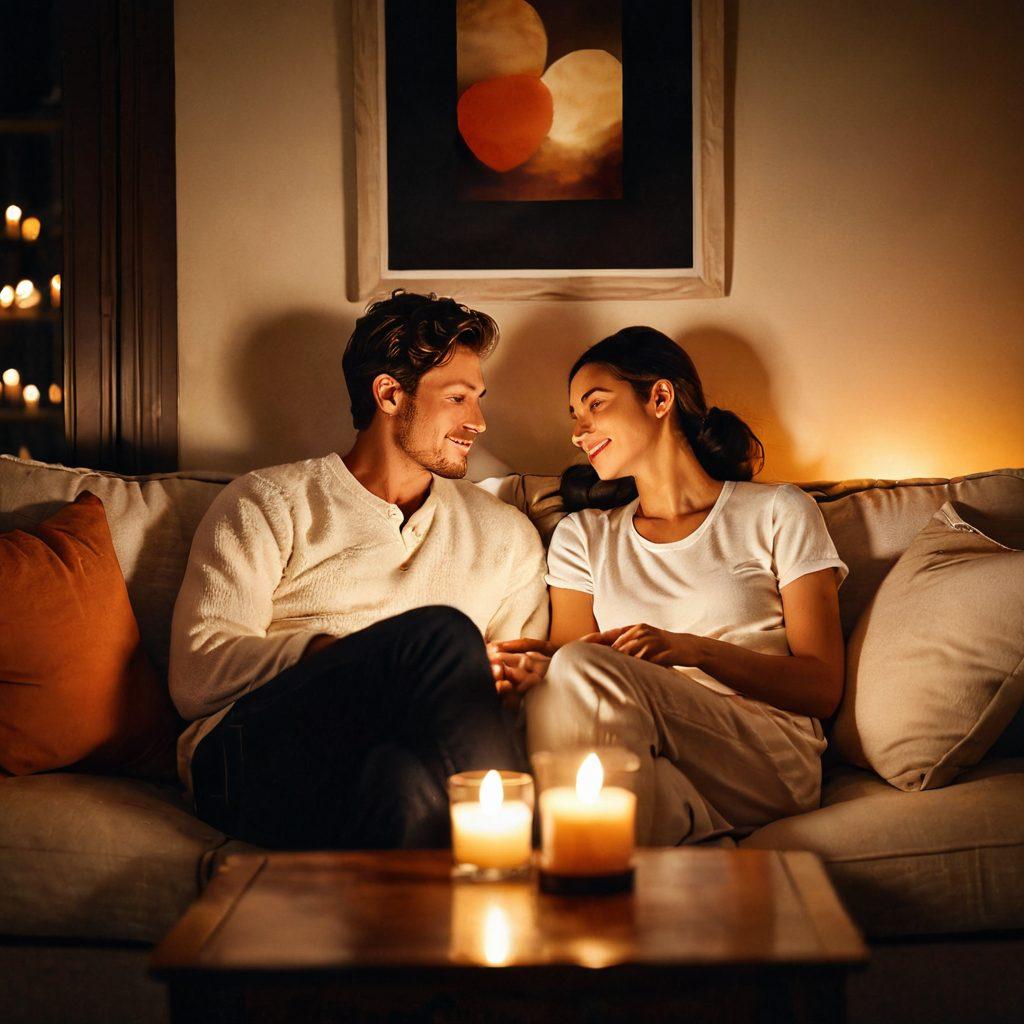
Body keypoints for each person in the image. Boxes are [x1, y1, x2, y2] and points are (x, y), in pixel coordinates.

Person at [169, 291, 547, 850]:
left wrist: (517, 683)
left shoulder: (505, 536)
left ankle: (452, 918)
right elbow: (197, 677)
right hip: (249, 757)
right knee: (441, 634)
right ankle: (525, 865)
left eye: (479, 399)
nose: (479, 422)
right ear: (390, 394)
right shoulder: (269, 502)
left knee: (403, 787)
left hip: (405, 759)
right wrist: (350, 654)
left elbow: (499, 706)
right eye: (459, 399)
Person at [489, 327, 847, 846]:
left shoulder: (777, 512)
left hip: (766, 757)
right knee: (564, 694)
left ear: (660, 397)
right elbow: (571, 661)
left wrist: (693, 651)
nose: (578, 430)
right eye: (575, 416)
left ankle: (585, 879)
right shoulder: (583, 536)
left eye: (595, 405)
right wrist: (527, 665)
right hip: (646, 752)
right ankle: (653, 869)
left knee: (580, 671)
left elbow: (822, 688)